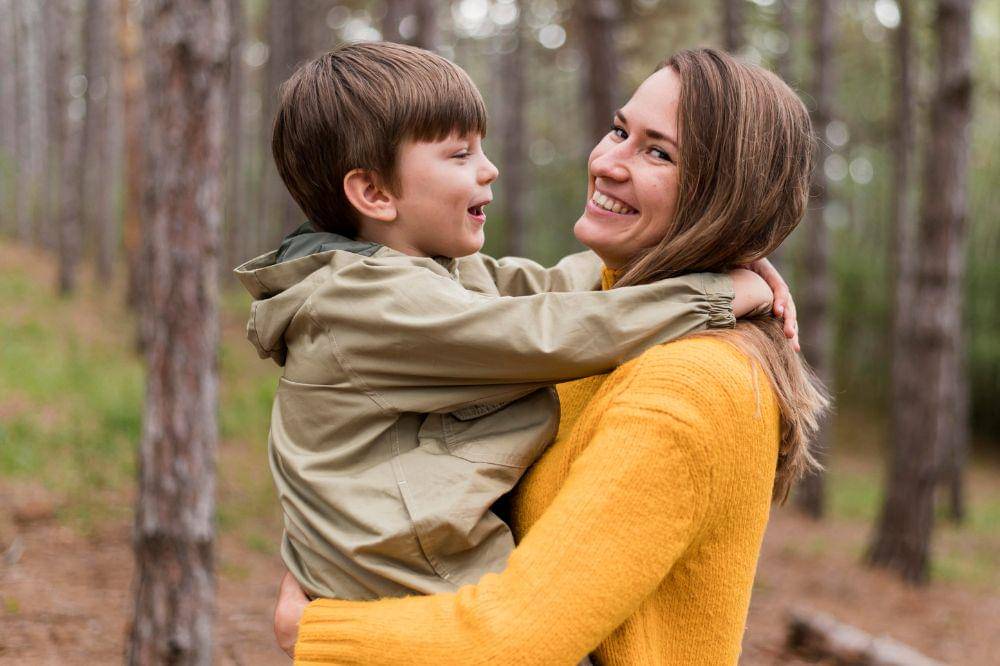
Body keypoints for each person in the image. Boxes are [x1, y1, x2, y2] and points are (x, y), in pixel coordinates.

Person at [273, 48, 827, 666]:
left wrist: (310, 632)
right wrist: (711, 278)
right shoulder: (396, 299)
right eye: (620, 130)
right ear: (373, 193)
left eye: (657, 151)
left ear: (725, 197)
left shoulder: (688, 386)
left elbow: (513, 640)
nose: (608, 161)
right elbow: (553, 314)